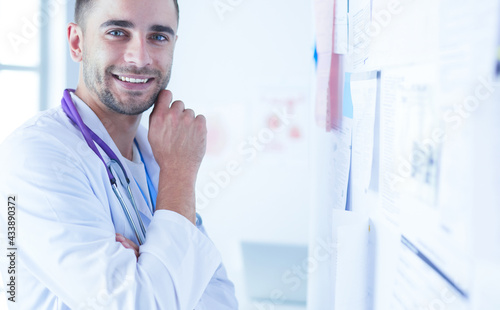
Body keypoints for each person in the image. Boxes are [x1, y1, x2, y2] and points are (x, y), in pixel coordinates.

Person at [0, 0, 238, 309]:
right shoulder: (35, 156)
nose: (140, 58)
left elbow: (221, 299)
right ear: (77, 42)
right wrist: (179, 174)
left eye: (158, 37)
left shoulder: (156, 151)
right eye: (117, 32)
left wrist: (150, 271)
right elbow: (138, 304)